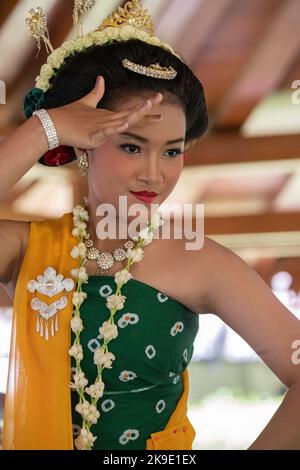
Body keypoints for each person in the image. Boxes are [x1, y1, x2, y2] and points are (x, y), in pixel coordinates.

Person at [1, 0, 300, 451]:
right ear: (84, 144)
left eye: (172, 151)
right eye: (131, 146)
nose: (154, 174)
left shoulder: (199, 261)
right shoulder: (26, 247)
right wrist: (45, 128)